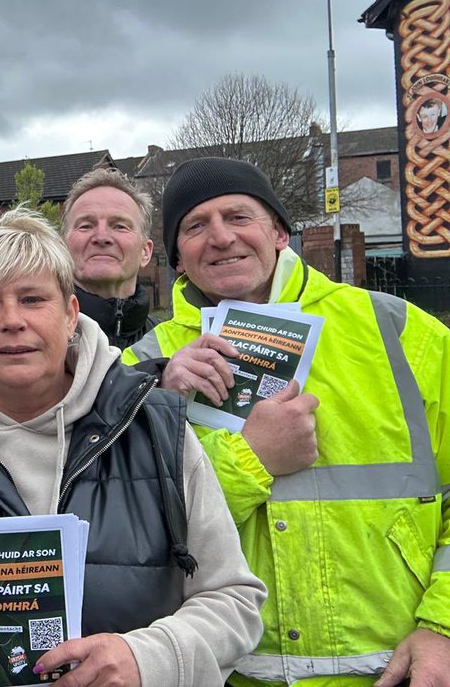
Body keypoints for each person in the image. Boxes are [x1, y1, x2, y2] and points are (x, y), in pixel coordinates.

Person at [0, 208, 265, 687]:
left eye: (33, 299)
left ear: (70, 314)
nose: (12, 321)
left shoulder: (154, 426)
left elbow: (233, 601)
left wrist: (146, 659)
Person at [125, 156, 450, 687]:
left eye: (239, 216)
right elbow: (130, 536)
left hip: (395, 670)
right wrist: (249, 458)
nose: (221, 237)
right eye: (195, 225)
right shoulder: (146, 365)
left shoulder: (397, 330)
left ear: (278, 231)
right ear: (177, 257)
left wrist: (443, 628)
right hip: (230, 674)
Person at [62, 167, 157, 349]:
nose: (102, 237)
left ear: (145, 252)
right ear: (63, 247)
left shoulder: (175, 345)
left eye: (120, 226)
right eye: (85, 226)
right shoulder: (37, 338)